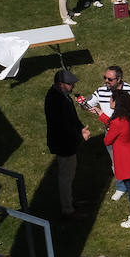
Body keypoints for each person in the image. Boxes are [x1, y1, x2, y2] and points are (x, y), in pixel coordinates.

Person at [87, 65, 130, 202]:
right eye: (105, 78)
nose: (106, 81)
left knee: (129, 163)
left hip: (127, 134)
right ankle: (121, 186)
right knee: (116, 162)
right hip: (112, 130)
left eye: (110, 79)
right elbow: (89, 103)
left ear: (119, 79)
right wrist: (83, 102)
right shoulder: (102, 91)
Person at [99, 90, 130, 228]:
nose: (109, 101)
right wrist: (101, 115)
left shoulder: (118, 122)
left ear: (117, 103)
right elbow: (117, 125)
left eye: (111, 99)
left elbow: (107, 141)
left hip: (126, 160)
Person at [44, 68, 90, 218]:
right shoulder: (55, 100)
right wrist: (80, 136)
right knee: (66, 176)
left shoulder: (62, 95)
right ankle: (67, 209)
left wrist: (81, 127)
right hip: (63, 144)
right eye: (70, 84)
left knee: (69, 174)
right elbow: (63, 126)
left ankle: (69, 201)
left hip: (67, 142)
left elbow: (72, 117)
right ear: (60, 84)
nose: (73, 87)